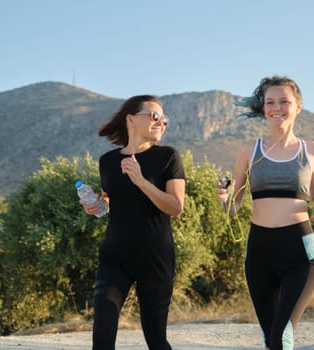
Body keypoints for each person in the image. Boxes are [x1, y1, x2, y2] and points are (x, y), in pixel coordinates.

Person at [217, 76, 314, 350]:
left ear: (298, 106)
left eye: (284, 101)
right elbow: (235, 207)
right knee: (270, 340)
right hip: (259, 252)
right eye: (270, 102)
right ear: (263, 108)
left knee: (282, 338)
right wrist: (225, 198)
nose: (277, 107)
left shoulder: (312, 150)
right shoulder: (248, 150)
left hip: (299, 252)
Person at [80, 95, 186, 350]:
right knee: (103, 331)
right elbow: (110, 203)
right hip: (115, 256)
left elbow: (176, 207)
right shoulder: (108, 161)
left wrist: (140, 181)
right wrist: (96, 206)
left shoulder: (168, 157)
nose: (161, 123)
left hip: (155, 257)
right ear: (131, 119)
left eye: (164, 119)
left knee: (156, 339)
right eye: (155, 116)